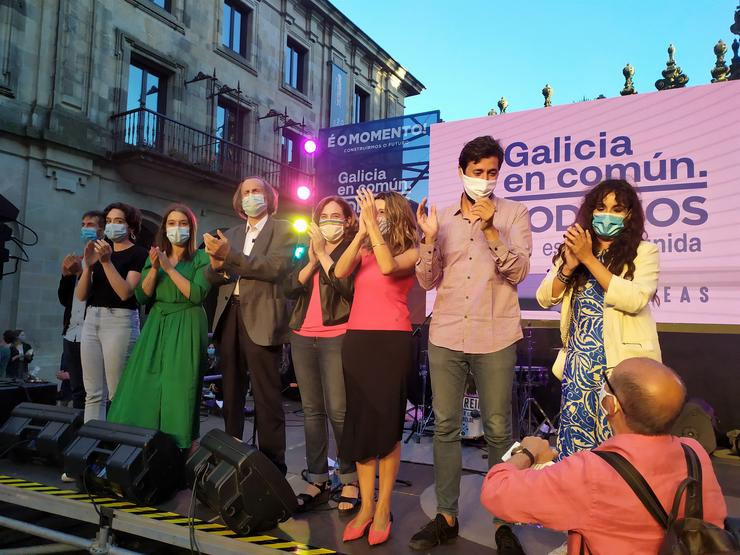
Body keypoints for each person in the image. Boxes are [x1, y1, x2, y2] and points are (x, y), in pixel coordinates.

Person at [411, 135, 532, 552]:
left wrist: (492, 230)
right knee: (445, 426)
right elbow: (427, 281)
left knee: (499, 429)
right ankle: (446, 516)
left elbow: (517, 273)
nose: (484, 180)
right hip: (446, 332)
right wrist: (427, 240)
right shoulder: (440, 219)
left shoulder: (515, 214)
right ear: (462, 172)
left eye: (492, 173)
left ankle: (504, 523)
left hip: (496, 333)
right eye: (477, 172)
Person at [480, 358, 727, 555]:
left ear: (611, 405)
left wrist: (527, 453)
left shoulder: (591, 472)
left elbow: (496, 492)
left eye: (608, 383)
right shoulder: (694, 452)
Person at [535, 179, 661, 460]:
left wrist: (589, 259)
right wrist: (568, 266)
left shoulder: (644, 253)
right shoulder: (573, 251)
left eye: (617, 209)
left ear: (629, 215)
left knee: (617, 449)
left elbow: (635, 299)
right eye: (601, 207)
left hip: (620, 368)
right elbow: (545, 297)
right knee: (575, 450)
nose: (607, 214)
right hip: (578, 367)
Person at [334, 189, 418, 546]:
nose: (374, 214)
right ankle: (365, 507)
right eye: (371, 209)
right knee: (362, 425)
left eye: (381, 211)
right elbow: (339, 272)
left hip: (392, 340)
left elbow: (388, 267)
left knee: (386, 427)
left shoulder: (413, 248)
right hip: (357, 340)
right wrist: (361, 236)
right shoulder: (365, 245)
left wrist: (373, 230)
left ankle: (384, 507)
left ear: (396, 215)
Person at [203, 176, 294, 474]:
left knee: (267, 396)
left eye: (256, 191)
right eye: (245, 192)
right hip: (230, 314)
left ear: (269, 196)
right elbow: (213, 278)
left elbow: (274, 268)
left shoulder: (283, 229)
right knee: (230, 392)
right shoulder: (230, 232)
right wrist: (217, 267)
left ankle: (272, 466)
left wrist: (229, 256)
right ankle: (230, 455)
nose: (250, 196)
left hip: (263, 317)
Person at [108, 204, 211, 451]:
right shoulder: (153, 256)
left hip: (187, 322)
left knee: (180, 387)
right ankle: (139, 443)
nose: (177, 228)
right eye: (172, 223)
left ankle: (181, 448)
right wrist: (154, 268)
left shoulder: (201, 258)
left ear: (191, 228)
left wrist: (169, 268)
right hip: (157, 322)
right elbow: (143, 298)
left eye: (183, 223)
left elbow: (196, 294)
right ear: (164, 229)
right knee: (142, 381)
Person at [285, 195, 359, 513]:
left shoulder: (352, 250)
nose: (329, 221)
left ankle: (351, 478)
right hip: (302, 335)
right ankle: (317, 479)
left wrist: (325, 258)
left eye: (335, 216)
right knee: (312, 411)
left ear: (347, 221)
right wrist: (313, 258)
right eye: (324, 216)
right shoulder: (306, 248)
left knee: (339, 411)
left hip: (336, 335)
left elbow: (346, 288)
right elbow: (289, 286)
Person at [75, 202, 147, 422]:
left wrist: (106, 262)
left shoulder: (138, 253)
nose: (112, 225)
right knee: (93, 392)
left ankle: (118, 442)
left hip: (119, 321)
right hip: (92, 318)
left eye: (119, 221)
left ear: (130, 227)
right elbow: (81, 295)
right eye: (109, 221)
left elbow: (125, 292)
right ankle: (91, 443)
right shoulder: (99, 251)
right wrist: (88, 266)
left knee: (117, 391)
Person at [58, 210, 105, 409]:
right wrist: (66, 275)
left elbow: (101, 295)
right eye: (83, 224)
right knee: (76, 389)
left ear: (102, 230)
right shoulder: (78, 259)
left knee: (93, 390)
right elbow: (64, 300)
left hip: (92, 331)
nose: (85, 228)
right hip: (72, 333)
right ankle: (77, 434)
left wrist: (83, 274)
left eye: (90, 225)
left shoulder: (105, 261)